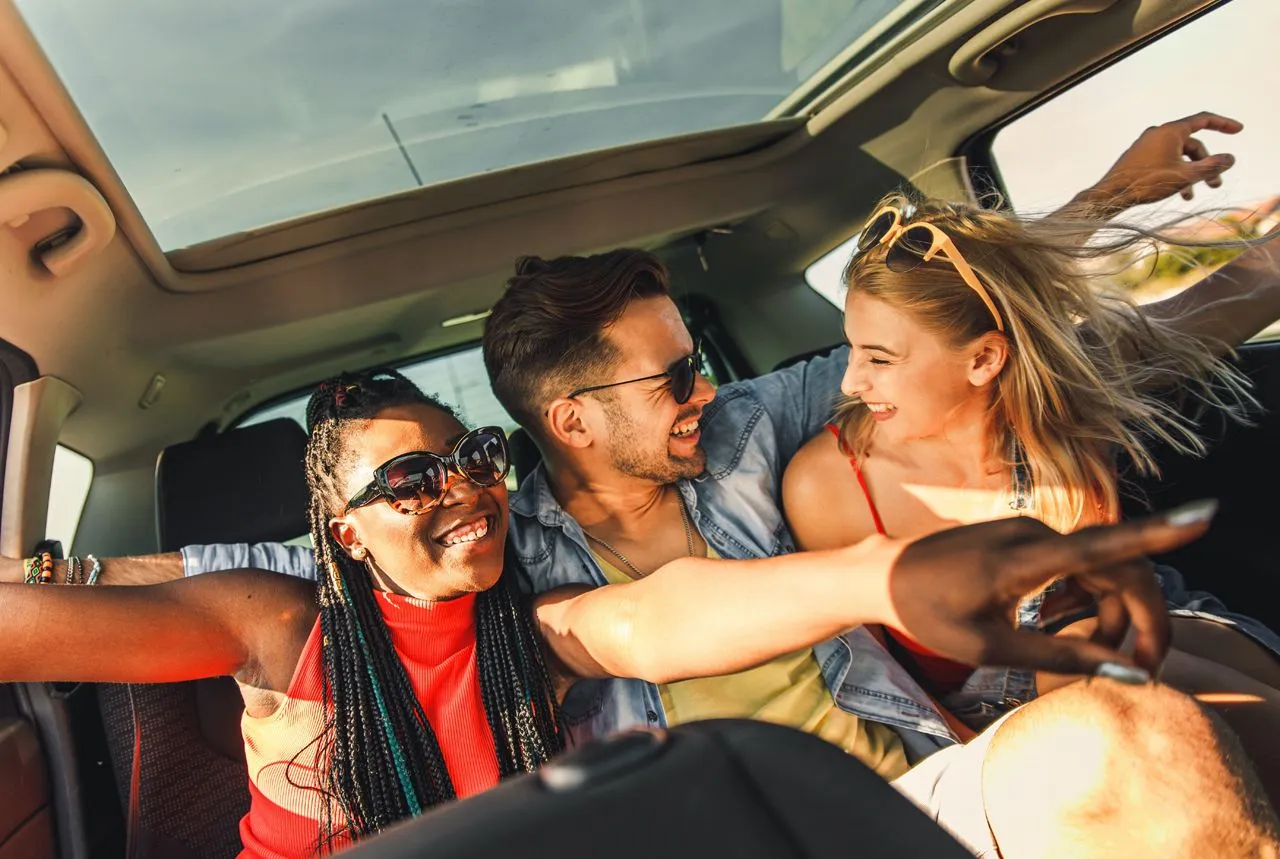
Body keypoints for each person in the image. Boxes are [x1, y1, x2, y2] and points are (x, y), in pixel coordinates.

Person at [7, 369, 1241, 858]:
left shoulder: (538, 630)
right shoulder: (274, 621)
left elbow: (658, 618)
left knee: (1132, 742)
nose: (463, 490)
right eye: (411, 480)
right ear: (343, 531)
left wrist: (879, 578)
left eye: (474, 456)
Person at [779, 187, 1280, 798]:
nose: (850, 382)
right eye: (852, 349)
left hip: (1154, 623)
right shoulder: (830, 485)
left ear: (984, 360)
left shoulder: (1053, 407)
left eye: (878, 359)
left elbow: (1231, 295)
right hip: (1001, 716)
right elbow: (889, 691)